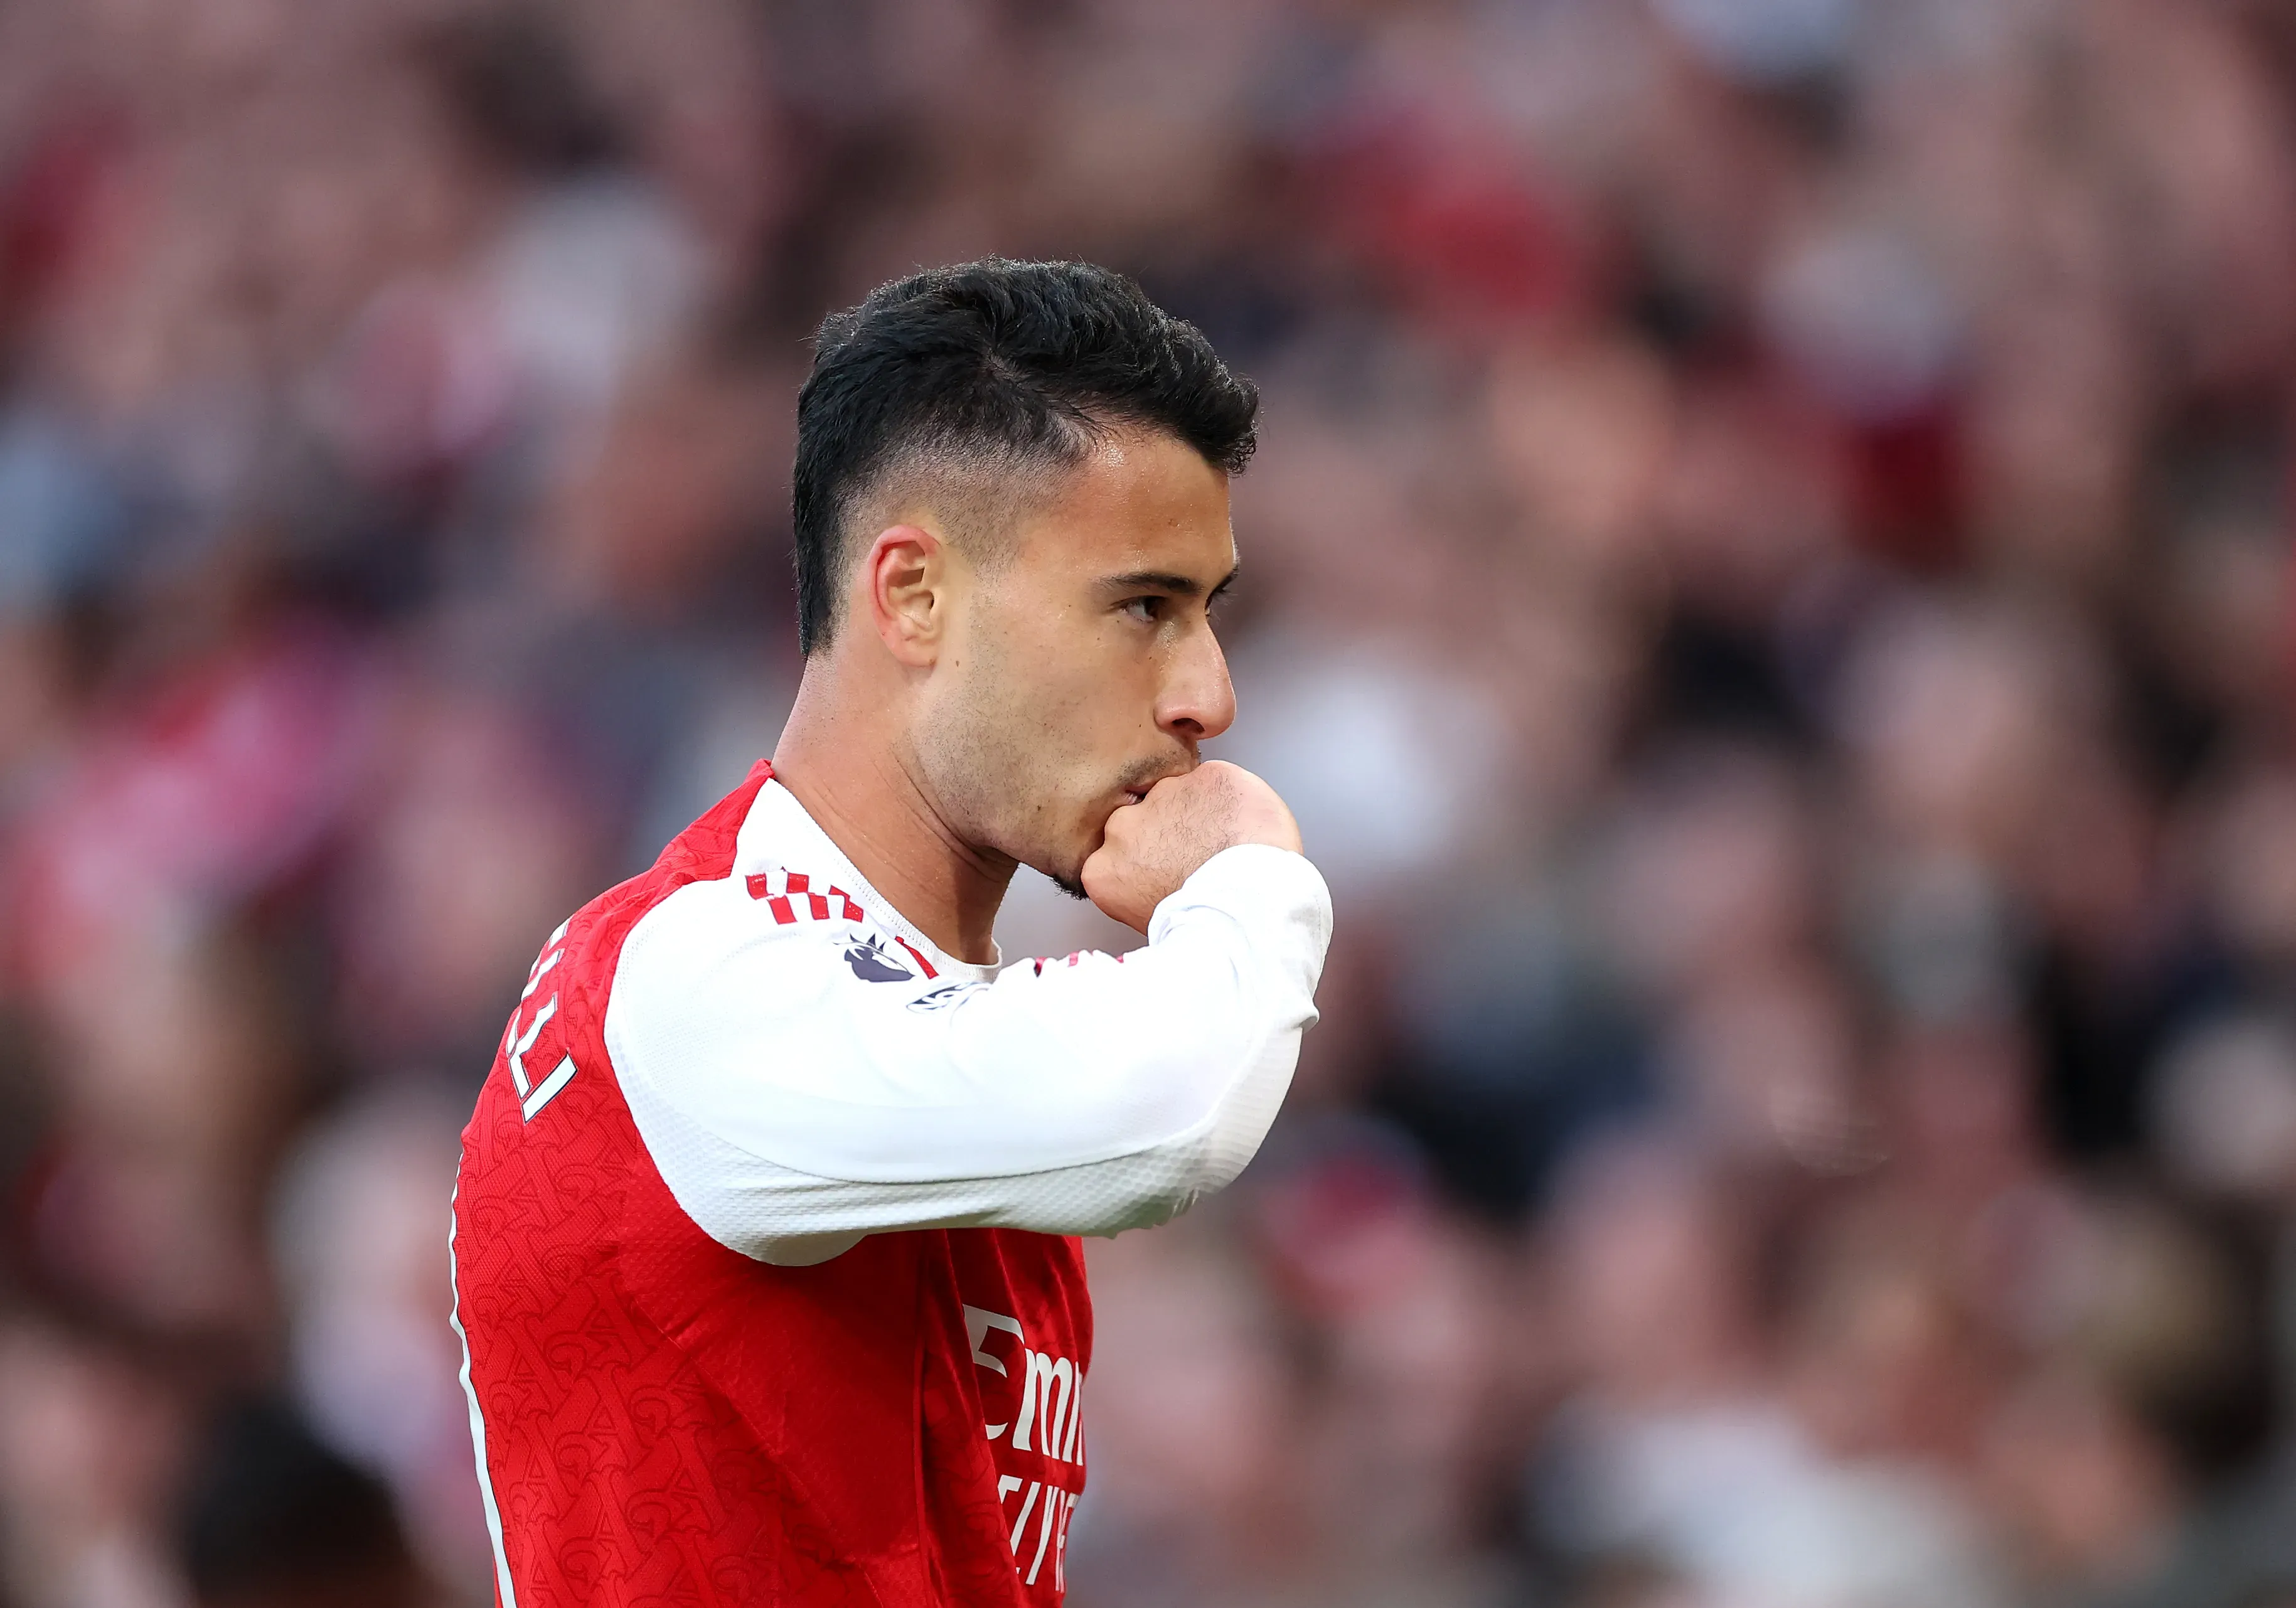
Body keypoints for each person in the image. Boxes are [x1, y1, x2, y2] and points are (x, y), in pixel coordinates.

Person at [450, 258, 1332, 1605]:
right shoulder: (702, 983)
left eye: (1207, 613)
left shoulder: (910, 1032)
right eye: (1142, 608)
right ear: (913, 596)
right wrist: (1251, 866)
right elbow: (1177, 1105)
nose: (1207, 694)